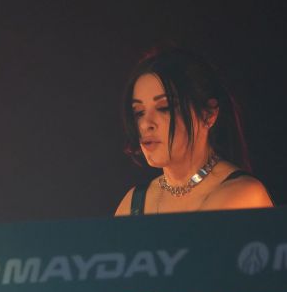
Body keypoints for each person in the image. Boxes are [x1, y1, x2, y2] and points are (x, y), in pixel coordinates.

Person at [114, 47, 274, 216]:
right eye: (139, 112)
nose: (146, 124)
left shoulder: (242, 193)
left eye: (164, 107)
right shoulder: (134, 203)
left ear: (208, 114)